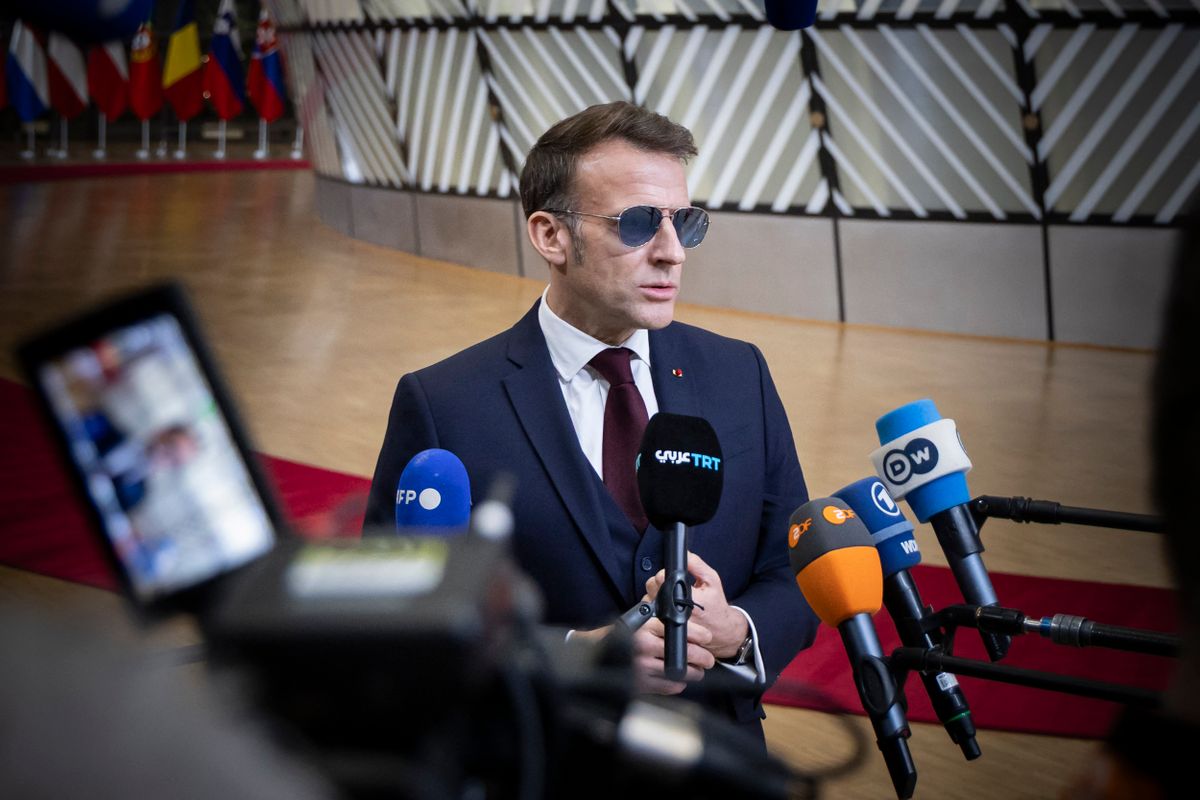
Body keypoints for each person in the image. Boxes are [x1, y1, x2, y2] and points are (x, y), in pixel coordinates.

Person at [364, 101, 818, 735]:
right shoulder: (443, 406)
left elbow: (795, 567)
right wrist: (574, 657)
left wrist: (739, 631)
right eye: (636, 224)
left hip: (720, 764)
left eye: (683, 223)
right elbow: (398, 627)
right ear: (551, 236)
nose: (671, 254)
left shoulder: (740, 375)